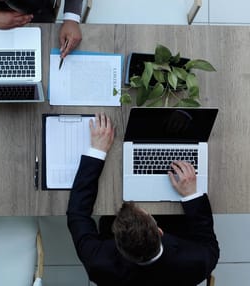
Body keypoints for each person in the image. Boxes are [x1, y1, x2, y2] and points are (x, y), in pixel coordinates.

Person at [67, 113, 219, 286]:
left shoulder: (99, 263)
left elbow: (77, 214)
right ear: (160, 231)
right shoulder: (198, 262)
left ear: (116, 243)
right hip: (178, 230)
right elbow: (207, 239)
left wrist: (97, 151)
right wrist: (192, 194)